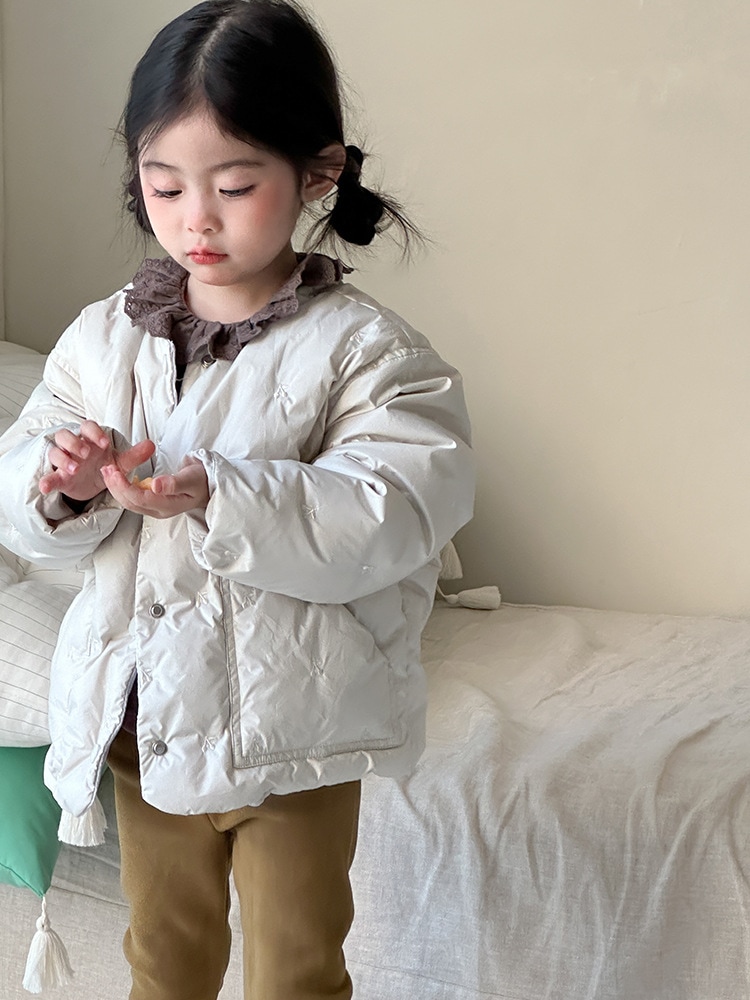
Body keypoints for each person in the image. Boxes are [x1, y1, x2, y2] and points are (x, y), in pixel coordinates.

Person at [0, 1, 474, 997]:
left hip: (297, 735)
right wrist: (62, 486)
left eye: (235, 185)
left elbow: (393, 514)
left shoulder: (370, 352)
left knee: (297, 971)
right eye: (165, 185)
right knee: (163, 962)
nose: (196, 219)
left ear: (319, 171)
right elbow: (18, 494)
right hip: (147, 722)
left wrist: (220, 492)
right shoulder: (102, 339)